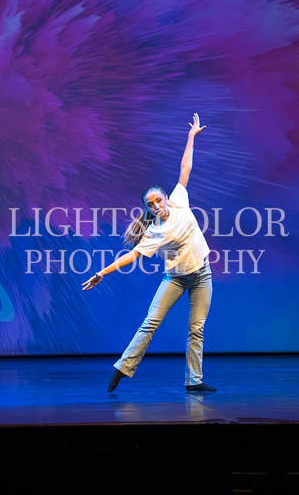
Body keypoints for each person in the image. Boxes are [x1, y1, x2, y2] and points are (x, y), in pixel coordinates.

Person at [82, 113, 215, 392]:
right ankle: (122, 368)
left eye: (158, 200)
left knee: (196, 329)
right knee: (150, 323)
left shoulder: (179, 200)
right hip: (175, 279)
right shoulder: (153, 232)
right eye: (151, 205)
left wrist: (191, 137)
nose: (156, 206)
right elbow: (131, 256)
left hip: (202, 274)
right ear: (148, 209)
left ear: (165, 198)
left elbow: (185, 168)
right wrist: (102, 273)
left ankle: (195, 381)